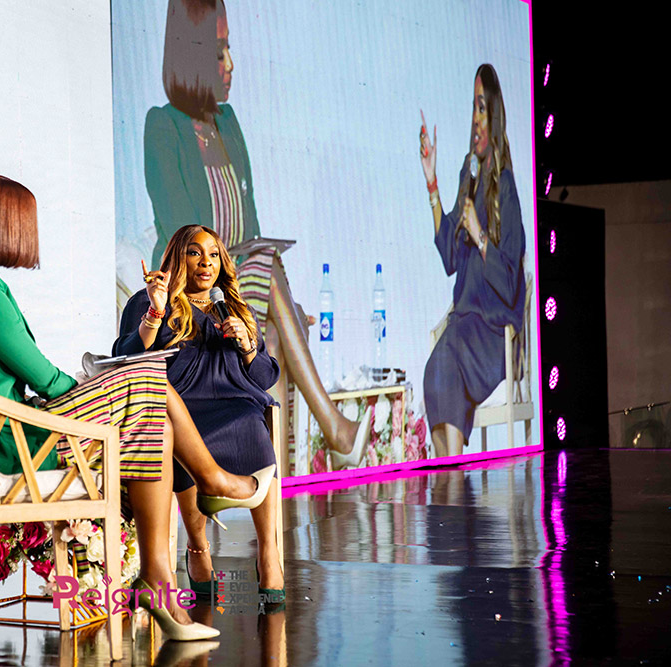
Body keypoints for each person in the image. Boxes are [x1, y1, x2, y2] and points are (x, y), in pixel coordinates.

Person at [0, 174, 275, 640]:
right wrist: (92, 386)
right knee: (147, 381)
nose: (28, 238)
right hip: (9, 444)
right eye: (23, 225)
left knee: (150, 398)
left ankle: (165, 564)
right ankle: (206, 493)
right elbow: (43, 377)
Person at [144, 0, 371, 465]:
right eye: (219, 52)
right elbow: (184, 237)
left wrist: (278, 300)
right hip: (193, 294)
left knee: (269, 325)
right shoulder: (162, 127)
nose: (230, 65)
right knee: (265, 290)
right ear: (192, 53)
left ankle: (272, 478)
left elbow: (252, 228)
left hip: (237, 285)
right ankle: (331, 429)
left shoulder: (228, 124)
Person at [113, 225, 282, 602]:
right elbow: (126, 357)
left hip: (235, 401)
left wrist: (247, 344)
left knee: (252, 425)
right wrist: (155, 312)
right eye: (194, 253)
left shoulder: (237, 308)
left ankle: (269, 554)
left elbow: (265, 377)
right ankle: (197, 547)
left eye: (213, 255)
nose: (206, 262)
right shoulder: (148, 300)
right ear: (178, 258)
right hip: (178, 404)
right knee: (178, 439)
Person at [418, 64, 526, 458]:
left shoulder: (506, 187)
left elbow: (511, 283)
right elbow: (450, 256)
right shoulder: (469, 176)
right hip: (464, 326)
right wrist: (432, 182)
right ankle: (451, 476)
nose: (475, 120)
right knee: (435, 369)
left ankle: (450, 480)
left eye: (482, 108)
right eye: (473, 109)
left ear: (494, 116)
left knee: (446, 358)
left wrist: (480, 235)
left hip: (494, 334)